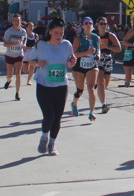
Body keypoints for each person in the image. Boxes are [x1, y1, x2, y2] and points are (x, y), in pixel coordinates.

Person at [34, 18, 77, 156]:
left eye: (61, 33)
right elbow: (30, 61)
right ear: (50, 31)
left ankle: (52, 144)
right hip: (44, 85)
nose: (59, 36)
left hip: (61, 85)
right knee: (49, 116)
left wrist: (72, 63)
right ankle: (44, 137)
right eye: (56, 33)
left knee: (57, 117)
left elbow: (70, 61)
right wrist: (37, 64)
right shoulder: (41, 44)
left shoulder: (66, 45)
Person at [70, 17, 101, 121]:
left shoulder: (96, 38)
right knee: (80, 90)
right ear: (82, 25)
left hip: (92, 64)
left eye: (90, 23)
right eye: (86, 23)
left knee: (91, 89)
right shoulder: (78, 38)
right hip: (79, 65)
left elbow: (98, 49)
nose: (88, 25)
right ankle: (74, 104)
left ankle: (91, 112)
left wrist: (98, 55)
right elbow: (74, 54)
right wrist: (87, 53)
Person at [94, 17, 122, 114]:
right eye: (101, 24)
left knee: (105, 84)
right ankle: (104, 104)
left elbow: (119, 48)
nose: (103, 26)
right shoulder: (94, 35)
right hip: (98, 59)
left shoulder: (110, 35)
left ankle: (100, 92)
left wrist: (108, 46)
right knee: (101, 82)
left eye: (105, 24)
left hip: (108, 59)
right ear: (97, 25)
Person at [2, 14, 28, 101]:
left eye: (18, 20)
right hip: (10, 55)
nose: (17, 22)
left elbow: (24, 39)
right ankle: (9, 81)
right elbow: (5, 44)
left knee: (18, 74)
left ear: (21, 22)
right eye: (15, 20)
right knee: (10, 74)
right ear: (12, 22)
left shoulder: (23, 31)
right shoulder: (9, 31)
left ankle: (17, 93)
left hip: (19, 55)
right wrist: (13, 44)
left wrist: (24, 44)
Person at [23, 21, 38, 86]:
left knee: (32, 67)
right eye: (30, 26)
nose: (31, 27)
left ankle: (29, 80)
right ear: (27, 27)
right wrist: (24, 47)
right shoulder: (24, 35)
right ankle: (27, 65)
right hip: (26, 53)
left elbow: (37, 44)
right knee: (25, 70)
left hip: (33, 53)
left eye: (32, 26)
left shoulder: (35, 35)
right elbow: (22, 43)